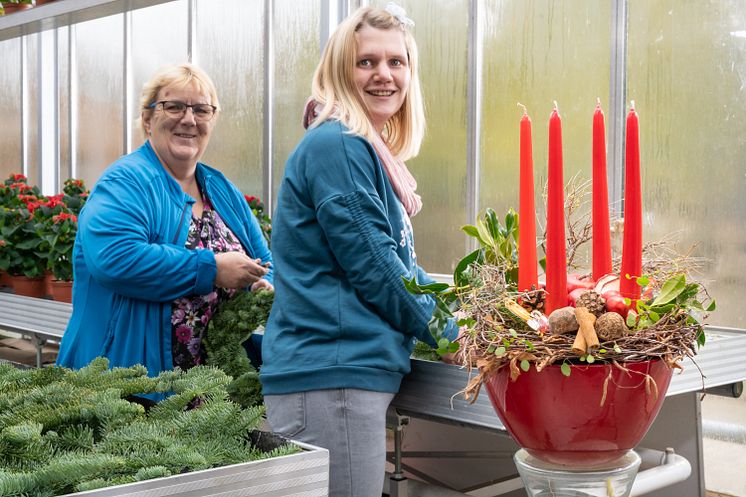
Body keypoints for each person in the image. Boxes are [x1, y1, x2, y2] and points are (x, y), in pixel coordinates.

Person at [260, 5, 456, 496]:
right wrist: (452, 334)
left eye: (397, 62)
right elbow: (380, 270)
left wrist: (476, 308)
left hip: (337, 382)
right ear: (339, 70)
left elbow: (401, 266)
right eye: (366, 61)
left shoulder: (360, 147)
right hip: (331, 378)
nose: (383, 75)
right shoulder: (339, 145)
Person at [57, 63, 273, 381]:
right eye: (173, 106)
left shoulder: (220, 188)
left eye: (201, 109)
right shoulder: (127, 181)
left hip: (206, 392)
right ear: (147, 120)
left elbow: (266, 262)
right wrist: (211, 269)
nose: (188, 119)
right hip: (127, 383)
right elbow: (115, 259)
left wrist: (263, 285)